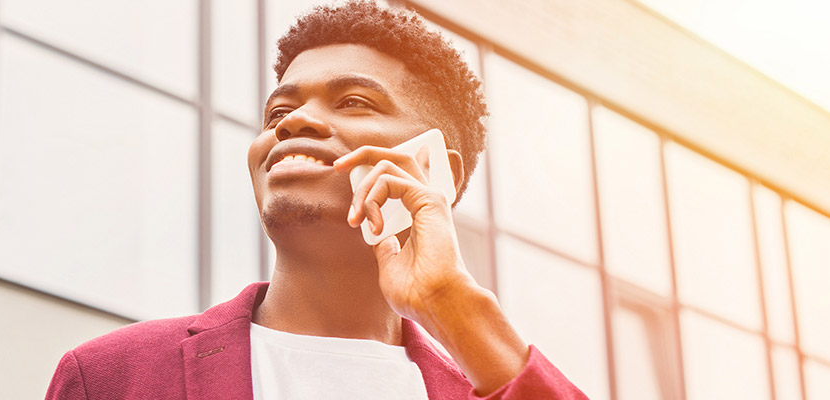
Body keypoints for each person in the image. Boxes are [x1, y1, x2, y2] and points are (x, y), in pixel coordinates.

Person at [46, 1, 587, 399]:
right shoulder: (111, 377)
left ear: (434, 169)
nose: (294, 123)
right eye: (278, 114)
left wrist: (456, 304)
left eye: (352, 102)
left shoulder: (484, 387)